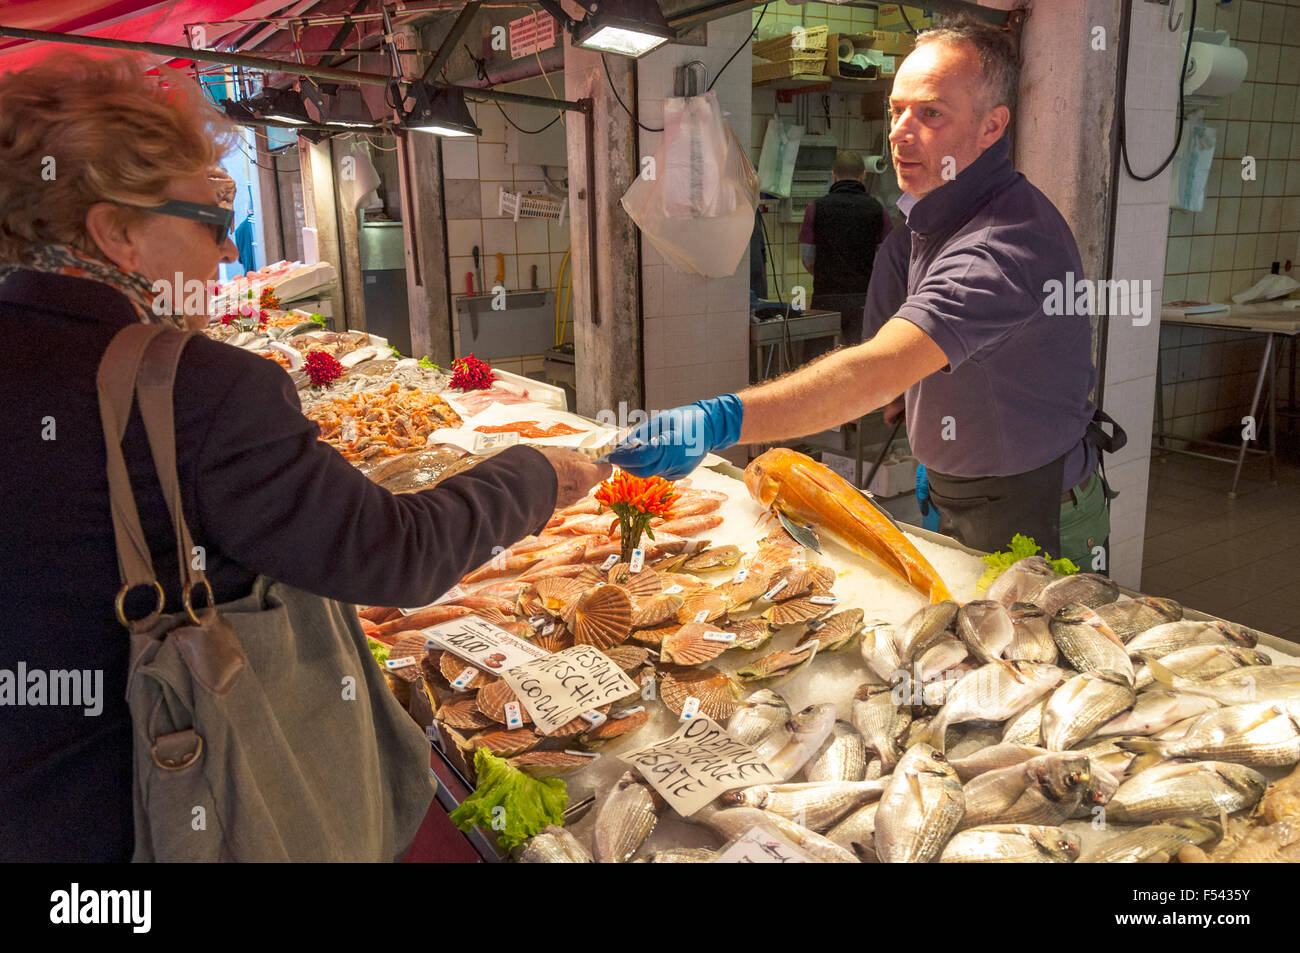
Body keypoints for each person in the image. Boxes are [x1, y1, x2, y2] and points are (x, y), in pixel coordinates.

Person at [0, 52, 609, 862]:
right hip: (158, 807)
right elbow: (392, 551)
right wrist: (537, 473)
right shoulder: (191, 386)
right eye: (212, 217)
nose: (225, 254)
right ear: (117, 232)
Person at [607, 12, 1110, 569]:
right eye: (896, 111)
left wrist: (721, 419)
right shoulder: (939, 216)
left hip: (1030, 506)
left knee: (1027, 655)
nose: (898, 131)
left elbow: (872, 371)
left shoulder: (997, 245)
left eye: (931, 113)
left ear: (992, 127)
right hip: (968, 486)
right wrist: (935, 444)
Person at [799, 150, 889, 348]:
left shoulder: (815, 208)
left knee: (819, 364)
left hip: (825, 298)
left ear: (834, 175)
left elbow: (807, 259)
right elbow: (885, 259)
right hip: (863, 298)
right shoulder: (877, 209)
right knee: (862, 361)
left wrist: (830, 275)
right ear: (863, 175)